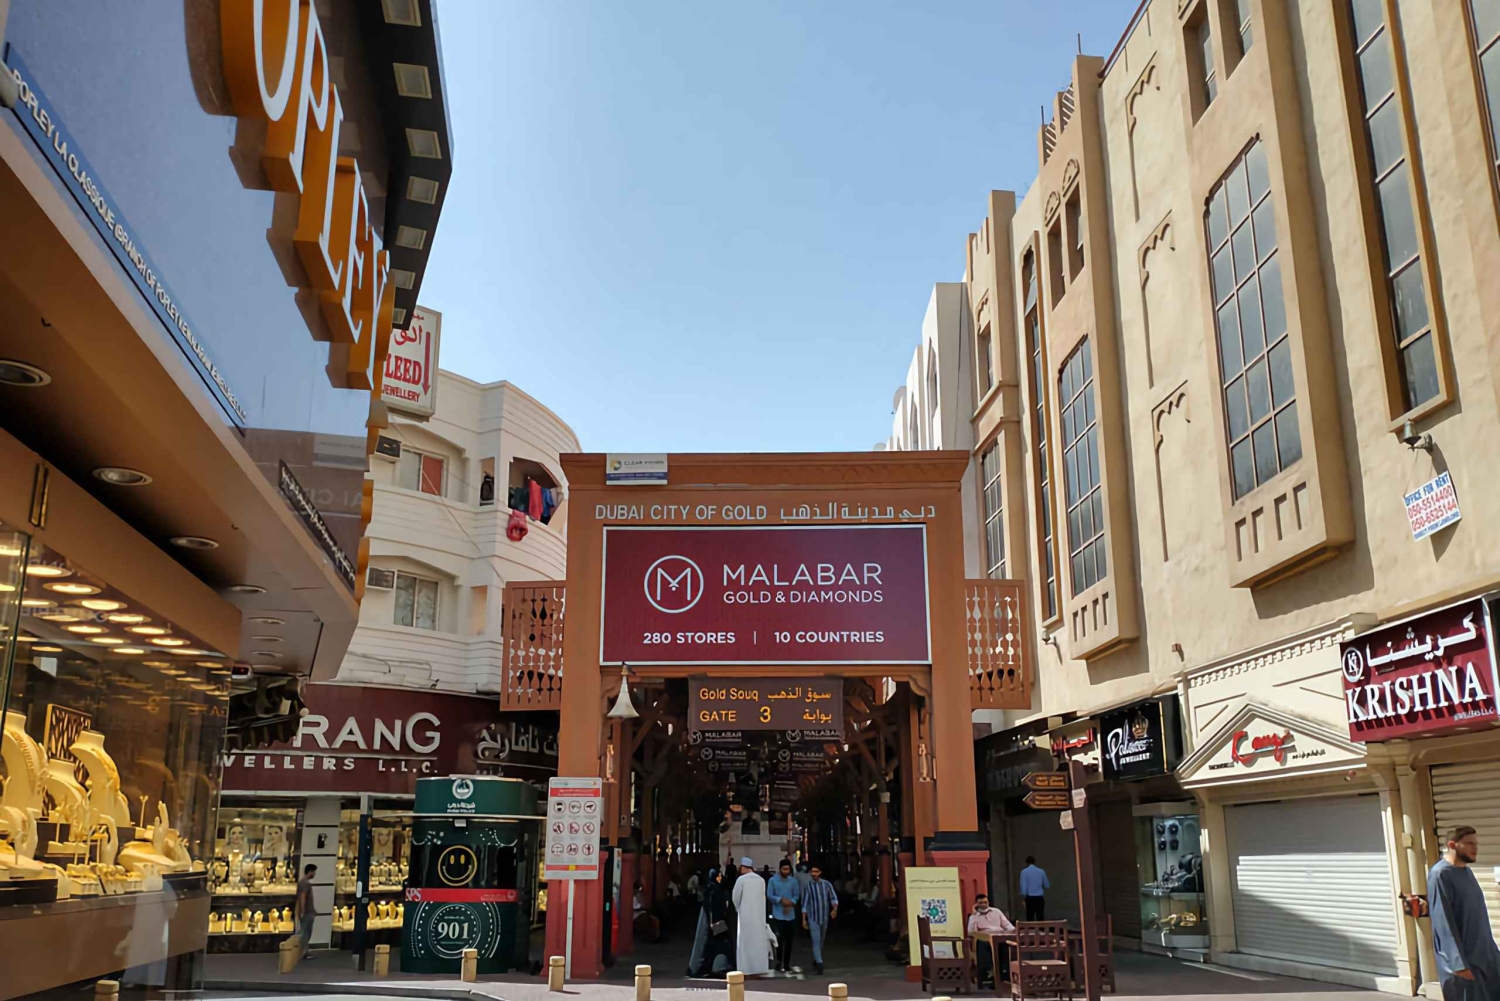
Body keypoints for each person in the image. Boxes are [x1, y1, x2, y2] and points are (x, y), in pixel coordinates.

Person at [1429, 825, 1500, 1001]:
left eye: (1476, 843)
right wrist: (1458, 964)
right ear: (1452, 845)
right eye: (1469, 843)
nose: (1475, 848)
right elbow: (1443, 922)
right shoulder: (1440, 874)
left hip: (1485, 957)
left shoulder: (1466, 872)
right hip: (1464, 964)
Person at [732, 857, 772, 975]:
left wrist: (738, 909)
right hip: (759, 916)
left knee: (745, 943)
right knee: (758, 942)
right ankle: (759, 968)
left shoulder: (741, 880)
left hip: (745, 916)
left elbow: (735, 898)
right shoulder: (761, 880)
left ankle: (745, 969)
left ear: (743, 867)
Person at [967, 892, 1016, 987]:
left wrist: (1012, 933)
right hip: (985, 939)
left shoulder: (996, 912)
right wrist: (974, 915)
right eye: (981, 902)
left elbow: (1007, 925)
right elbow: (971, 931)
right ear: (976, 904)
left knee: (1007, 946)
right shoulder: (974, 916)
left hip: (999, 936)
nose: (983, 904)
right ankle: (989, 974)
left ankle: (1004, 973)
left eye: (985, 902)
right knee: (983, 945)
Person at [800, 862, 839, 974]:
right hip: (813, 917)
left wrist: (834, 909)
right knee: (816, 940)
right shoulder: (808, 886)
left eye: (816, 871)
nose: (814, 874)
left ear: (820, 872)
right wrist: (804, 919)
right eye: (812, 872)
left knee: (821, 940)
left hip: (824, 917)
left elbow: (833, 898)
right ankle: (820, 963)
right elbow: (805, 904)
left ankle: (817, 958)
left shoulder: (826, 885)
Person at [696, 867, 735, 978]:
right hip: (717, 923)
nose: (720, 878)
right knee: (723, 945)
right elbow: (711, 908)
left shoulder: (713, 888)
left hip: (717, 922)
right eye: (719, 876)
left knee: (714, 947)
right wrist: (713, 922)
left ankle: (706, 968)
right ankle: (727, 966)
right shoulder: (713, 890)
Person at [767, 859, 801, 973]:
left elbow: (796, 895)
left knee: (789, 940)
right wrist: (781, 900)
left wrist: (791, 903)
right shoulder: (773, 880)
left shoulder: (793, 881)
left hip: (790, 914)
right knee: (779, 940)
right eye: (784, 869)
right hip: (777, 914)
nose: (786, 871)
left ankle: (786, 964)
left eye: (788, 869)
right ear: (780, 869)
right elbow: (769, 895)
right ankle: (778, 962)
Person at [292, 863, 317, 959]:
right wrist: (303, 911)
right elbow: (303, 897)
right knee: (305, 933)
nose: (314, 874)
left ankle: (302, 951)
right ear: (310, 872)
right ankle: (303, 952)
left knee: (304, 932)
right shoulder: (306, 884)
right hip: (307, 912)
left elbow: (299, 898)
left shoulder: (301, 883)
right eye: (314, 871)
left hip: (305, 911)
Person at [1019, 857, 1049, 921]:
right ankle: (1041, 927)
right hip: (1039, 897)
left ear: (1026, 863)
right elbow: (1047, 885)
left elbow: (1024, 888)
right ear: (1034, 862)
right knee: (1040, 917)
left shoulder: (1024, 872)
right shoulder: (1041, 871)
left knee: (1030, 917)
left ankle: (1031, 927)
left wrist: (1023, 898)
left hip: (1029, 898)